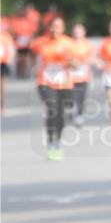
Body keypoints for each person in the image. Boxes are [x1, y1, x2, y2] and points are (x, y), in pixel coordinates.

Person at [31, 15, 74, 160]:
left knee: (60, 114)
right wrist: (35, 67)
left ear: (63, 28)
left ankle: (58, 140)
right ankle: (50, 141)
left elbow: (76, 65)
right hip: (45, 81)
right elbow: (33, 57)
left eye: (58, 27)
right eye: (52, 26)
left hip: (64, 82)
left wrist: (70, 60)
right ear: (48, 27)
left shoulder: (69, 43)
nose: (55, 29)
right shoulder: (40, 43)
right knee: (52, 109)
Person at [69, 23, 96, 126]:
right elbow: (65, 57)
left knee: (81, 96)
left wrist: (84, 62)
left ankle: (79, 114)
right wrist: (72, 63)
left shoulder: (87, 44)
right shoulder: (69, 43)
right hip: (70, 75)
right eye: (75, 32)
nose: (77, 34)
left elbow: (92, 57)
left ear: (84, 32)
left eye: (79, 32)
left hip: (83, 75)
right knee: (71, 95)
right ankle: (71, 109)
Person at [0, 27, 15, 113]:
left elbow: (10, 48)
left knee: (2, 86)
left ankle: (1, 105)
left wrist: (9, 60)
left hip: (2, 63)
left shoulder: (6, 36)